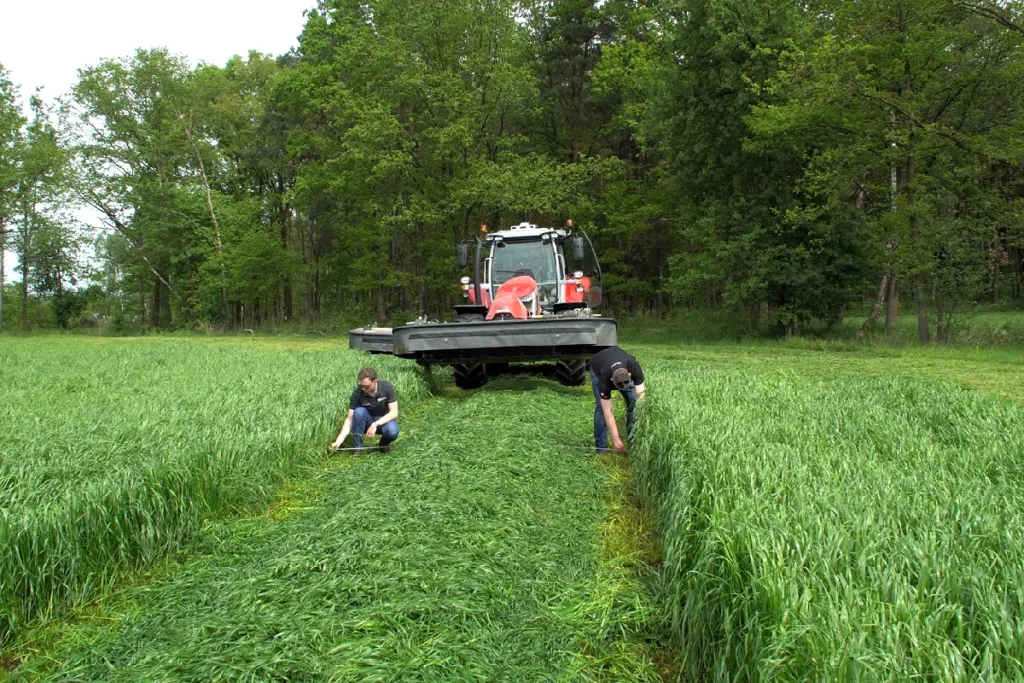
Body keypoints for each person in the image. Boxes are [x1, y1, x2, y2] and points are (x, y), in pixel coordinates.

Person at [590, 346, 646, 453]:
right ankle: (601, 449)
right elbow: (608, 413)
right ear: (612, 380)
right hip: (598, 365)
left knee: (634, 406)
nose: (624, 386)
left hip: (620, 362)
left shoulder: (635, 368)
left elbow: (641, 400)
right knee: (601, 408)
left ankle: (633, 444)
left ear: (630, 375)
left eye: (626, 382)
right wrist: (616, 441)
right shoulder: (604, 379)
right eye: (619, 384)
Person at [330, 366, 400, 452]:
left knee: (392, 432)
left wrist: (375, 424)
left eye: (366, 386)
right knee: (359, 412)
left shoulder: (386, 386)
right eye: (361, 385)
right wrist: (338, 441)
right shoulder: (357, 392)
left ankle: (383, 444)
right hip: (367, 421)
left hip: (384, 421)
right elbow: (349, 419)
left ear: (375, 382)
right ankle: (356, 448)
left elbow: (394, 412)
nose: (363, 389)